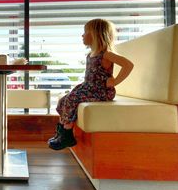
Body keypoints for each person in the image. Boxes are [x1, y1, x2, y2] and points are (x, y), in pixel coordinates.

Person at [48, 19, 134, 150]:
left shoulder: (106, 54)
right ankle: (61, 131)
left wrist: (115, 81)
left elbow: (128, 65)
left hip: (101, 91)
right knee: (64, 100)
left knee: (72, 99)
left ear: (95, 34)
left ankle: (67, 134)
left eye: (85, 32)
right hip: (89, 87)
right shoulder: (90, 55)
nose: (82, 35)